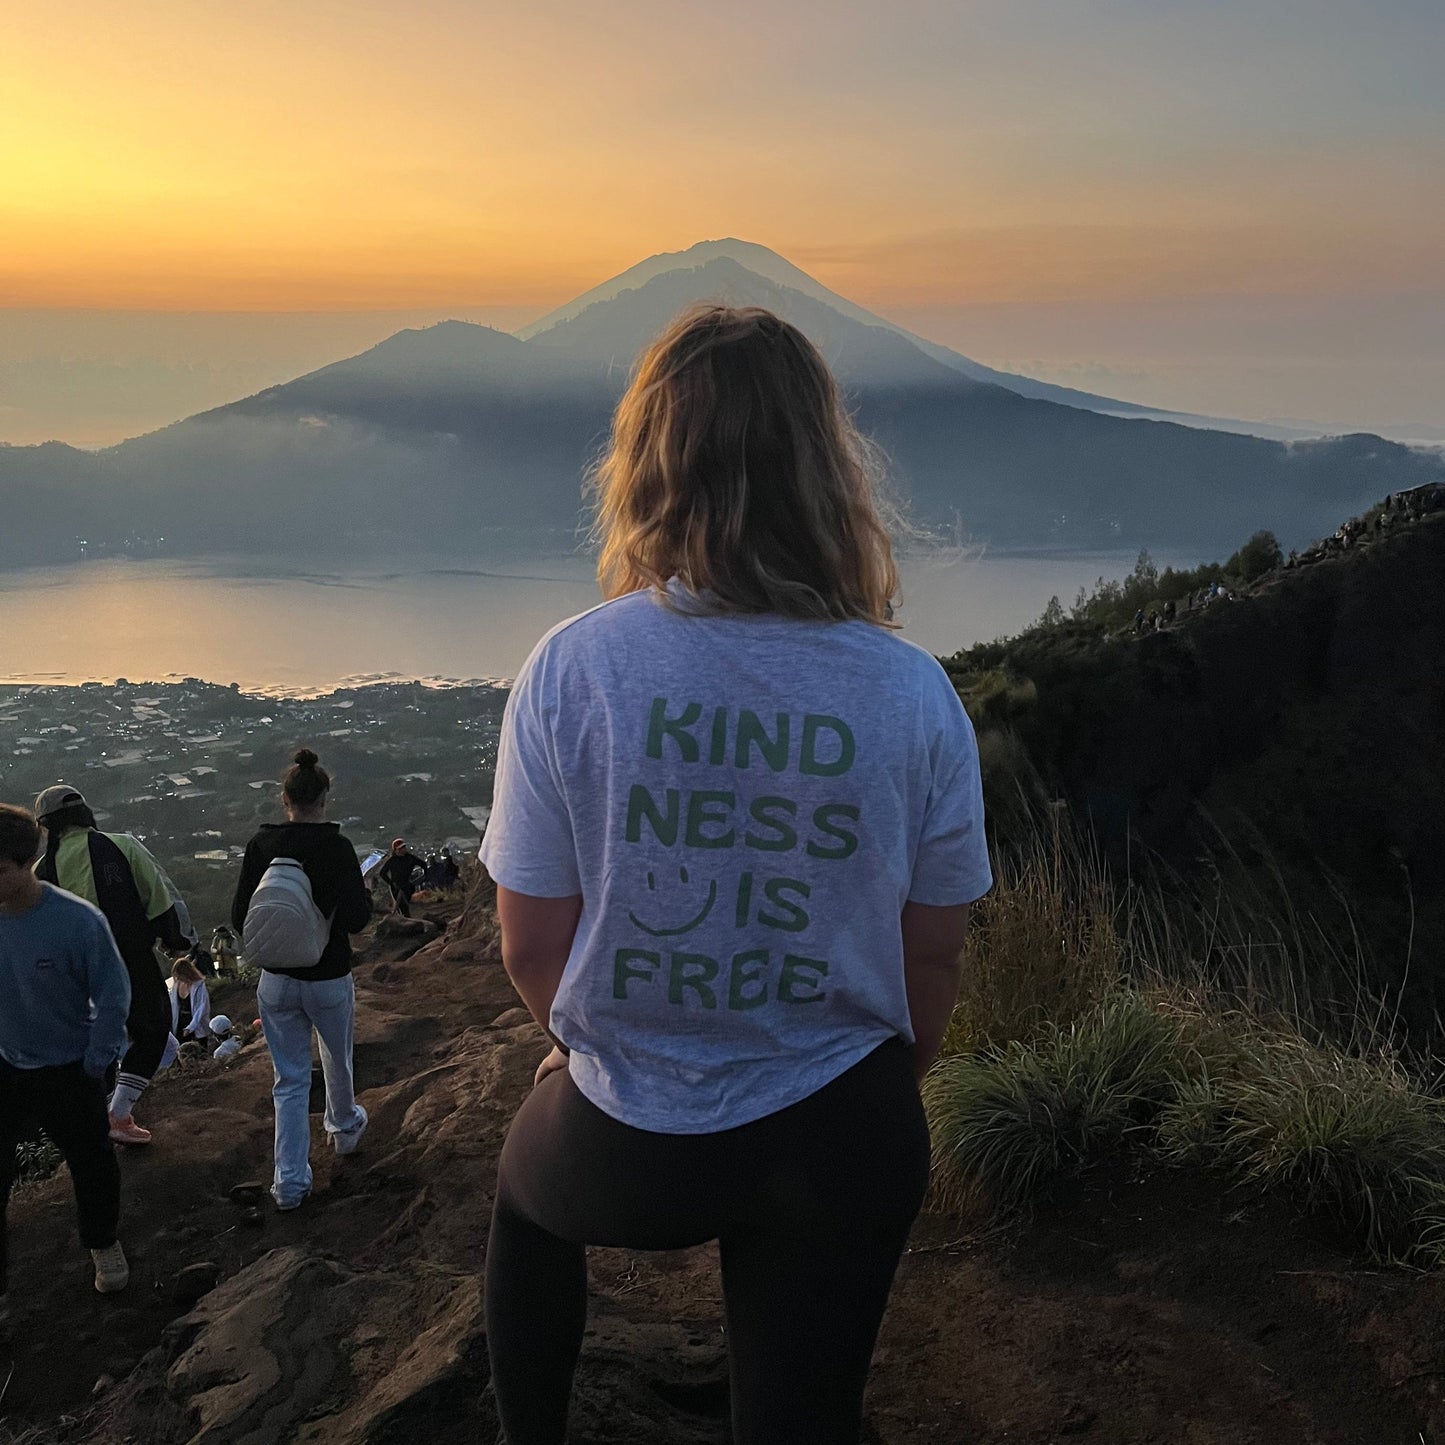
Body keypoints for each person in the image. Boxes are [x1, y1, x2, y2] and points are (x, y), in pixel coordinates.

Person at [479, 305, 992, 1444]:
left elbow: (529, 944)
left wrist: (584, 1048)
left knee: (524, 1194)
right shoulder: (910, 694)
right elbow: (932, 956)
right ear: (824, 466)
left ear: (646, 464)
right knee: (800, 1415)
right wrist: (863, 1091)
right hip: (842, 1127)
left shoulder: (574, 666)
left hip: (631, 1145)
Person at [0, 805, 132, 1311]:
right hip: (5, 1062)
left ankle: (103, 1245)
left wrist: (97, 1061)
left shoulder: (76, 922)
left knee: (91, 1160)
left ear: (27, 861)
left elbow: (114, 995)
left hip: (67, 1064)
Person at [231, 749, 371, 1210]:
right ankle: (344, 1130)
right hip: (328, 976)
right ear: (324, 798)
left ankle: (289, 1183)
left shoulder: (260, 846)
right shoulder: (338, 847)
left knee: (288, 1080)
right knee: (337, 1054)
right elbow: (356, 919)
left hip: (275, 981)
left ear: (284, 798)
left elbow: (239, 918)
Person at [33, 785, 193, 1146]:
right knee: (152, 1032)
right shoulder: (122, 846)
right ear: (86, 813)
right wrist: (175, 941)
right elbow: (159, 902)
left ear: (46, 825)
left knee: (96, 1047)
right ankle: (118, 1114)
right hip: (131, 960)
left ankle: (97, 1119)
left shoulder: (42, 870)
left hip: (76, 976)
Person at [168, 957, 212, 1049]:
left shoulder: (199, 986)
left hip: (196, 1023)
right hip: (180, 1024)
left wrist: (190, 1027)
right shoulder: (176, 986)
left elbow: (201, 1008)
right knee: (181, 1051)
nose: (178, 979)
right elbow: (172, 1005)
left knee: (200, 1050)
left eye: (180, 976)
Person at [378, 838, 426, 918]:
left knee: (405, 906)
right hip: (396, 887)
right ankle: (405, 922)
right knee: (403, 908)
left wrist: (424, 876)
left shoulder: (410, 858)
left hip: (407, 886)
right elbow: (382, 873)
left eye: (404, 847)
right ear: (396, 850)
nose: (403, 849)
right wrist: (391, 883)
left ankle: (405, 921)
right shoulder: (392, 860)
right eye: (401, 848)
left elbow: (423, 864)